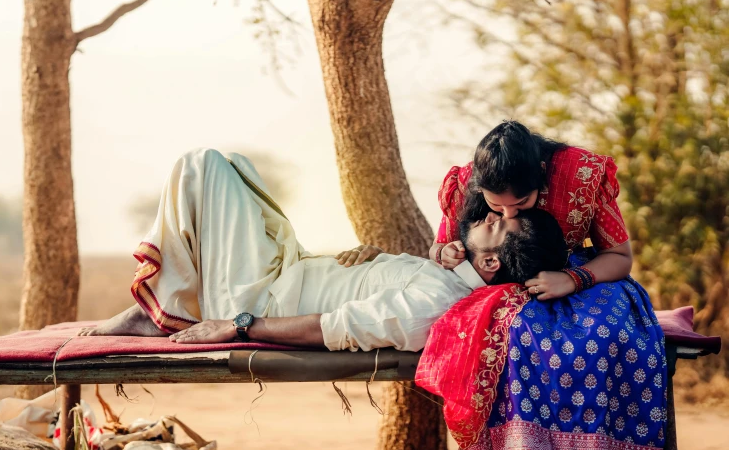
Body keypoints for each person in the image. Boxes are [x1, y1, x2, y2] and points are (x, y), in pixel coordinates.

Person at [80, 148, 568, 353]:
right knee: (236, 166)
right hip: (291, 268)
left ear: (490, 262)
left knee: (201, 165)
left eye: (490, 226)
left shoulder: (435, 304)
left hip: (260, 297)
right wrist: (377, 258)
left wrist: (238, 324)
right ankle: (170, 303)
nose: (484, 217)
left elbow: (332, 327)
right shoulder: (443, 276)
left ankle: (165, 311)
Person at [412, 121, 668, 450]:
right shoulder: (462, 184)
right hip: (496, 290)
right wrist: (446, 252)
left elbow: (620, 257)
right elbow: (440, 248)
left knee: (598, 340)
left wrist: (572, 279)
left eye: (521, 203)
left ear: (542, 181)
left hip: (585, 280)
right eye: (495, 206)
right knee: (507, 336)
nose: (508, 215)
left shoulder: (582, 175)